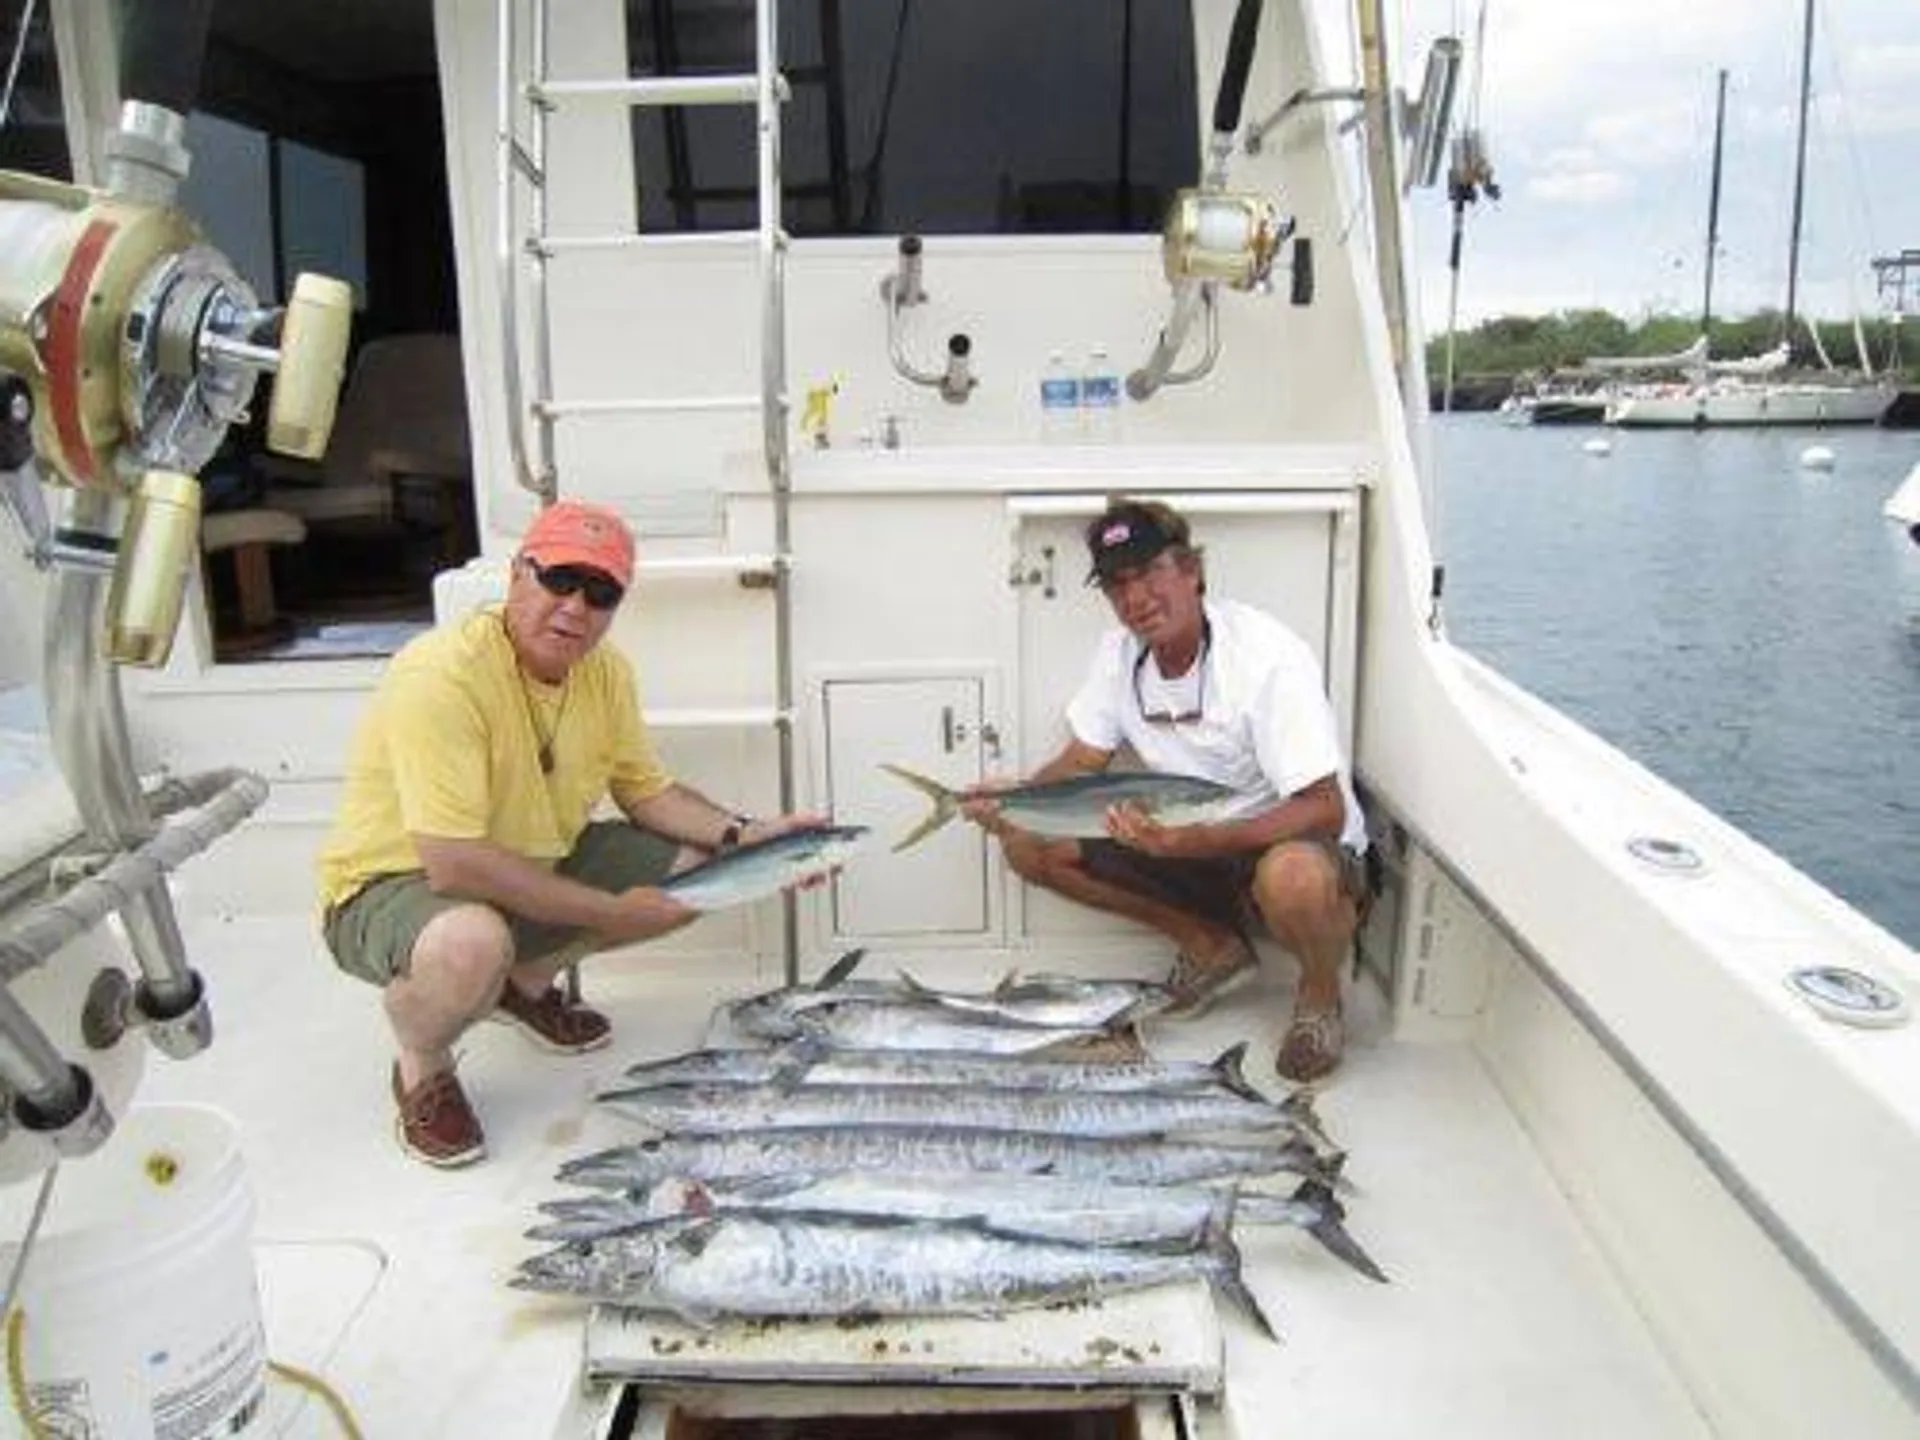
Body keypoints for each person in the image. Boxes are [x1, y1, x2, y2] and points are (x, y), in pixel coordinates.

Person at [318, 500, 816, 1167]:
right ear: (518, 574)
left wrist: (749, 837)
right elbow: (454, 865)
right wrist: (613, 912)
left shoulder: (606, 674)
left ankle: (521, 986)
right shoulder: (440, 675)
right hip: (394, 885)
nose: (576, 607)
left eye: (601, 591)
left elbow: (647, 792)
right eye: (560, 579)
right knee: (469, 944)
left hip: (527, 864)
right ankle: (424, 1066)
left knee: (693, 875)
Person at [962, 498, 1370, 1083]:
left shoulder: (1266, 657)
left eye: (1151, 572)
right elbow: (1082, 760)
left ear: (1192, 570)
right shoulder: (1118, 655)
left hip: (1286, 843)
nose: (1137, 598)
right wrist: (1015, 799)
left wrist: (1197, 840)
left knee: (1293, 878)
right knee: (1028, 844)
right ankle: (1210, 946)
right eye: (1117, 584)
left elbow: (1323, 809)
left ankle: (1320, 995)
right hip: (1178, 840)